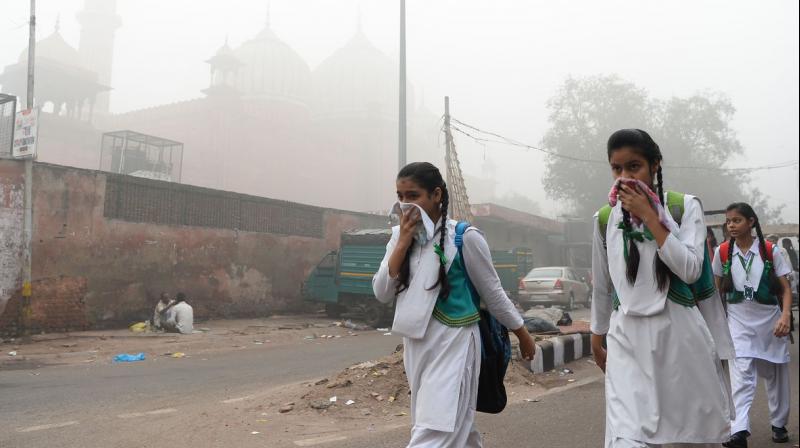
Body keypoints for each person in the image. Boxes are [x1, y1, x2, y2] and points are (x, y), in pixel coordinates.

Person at [372, 162, 536, 448]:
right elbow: (381, 292)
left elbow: (493, 292)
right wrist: (401, 244)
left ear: (436, 195)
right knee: (453, 424)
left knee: (436, 428)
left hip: (456, 342)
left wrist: (521, 332)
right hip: (417, 345)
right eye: (400, 196)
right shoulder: (399, 238)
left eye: (413, 196)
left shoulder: (465, 237)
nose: (405, 205)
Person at [591, 129, 734, 447]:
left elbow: (692, 269)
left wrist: (652, 219)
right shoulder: (604, 218)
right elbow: (602, 285)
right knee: (626, 435)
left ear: (655, 165)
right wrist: (597, 334)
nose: (625, 177)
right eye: (617, 169)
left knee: (685, 436)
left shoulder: (684, 207)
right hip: (625, 338)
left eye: (634, 166)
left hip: (678, 339)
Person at [713, 205, 793, 447]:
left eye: (737, 220)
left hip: (770, 321)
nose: (731, 226)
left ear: (751, 222)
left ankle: (779, 423)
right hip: (738, 322)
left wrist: (786, 316)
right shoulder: (723, 251)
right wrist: (715, 323)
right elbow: (716, 291)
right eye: (728, 222)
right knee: (741, 374)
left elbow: (786, 289)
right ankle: (739, 430)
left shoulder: (770, 251)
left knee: (775, 375)